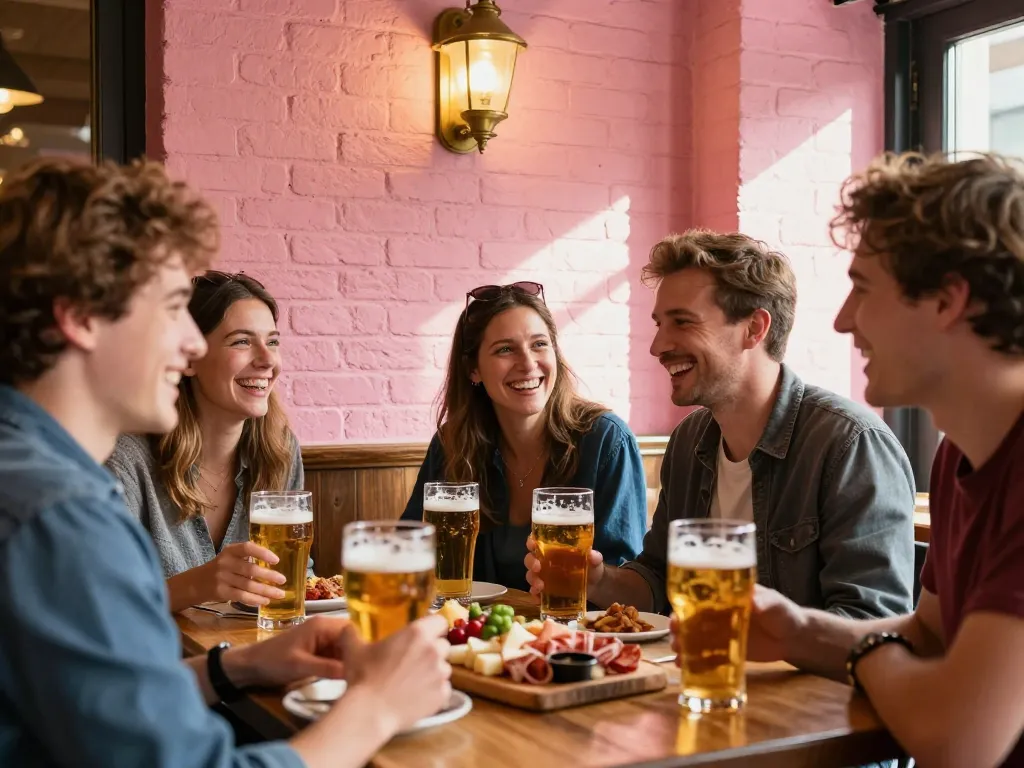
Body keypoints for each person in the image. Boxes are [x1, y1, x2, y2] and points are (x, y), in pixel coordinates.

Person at [0, 156, 450, 768]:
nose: (189, 343)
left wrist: (236, 665)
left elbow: (93, 714)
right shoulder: (62, 516)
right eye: (169, 307)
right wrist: (377, 706)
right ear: (79, 318)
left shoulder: (31, 474)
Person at [694, 152, 1024, 768]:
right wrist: (800, 629)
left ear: (947, 300)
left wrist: (861, 653)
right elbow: (925, 636)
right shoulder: (959, 456)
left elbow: (957, 740)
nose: (844, 320)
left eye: (863, 289)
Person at [527, 230, 916, 618]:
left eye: (682, 322)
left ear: (754, 328)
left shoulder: (849, 444)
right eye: (660, 324)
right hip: (699, 674)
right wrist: (598, 581)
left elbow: (874, 624)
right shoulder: (690, 441)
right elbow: (659, 582)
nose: (658, 346)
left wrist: (761, 636)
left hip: (795, 681)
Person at [402, 281, 647, 592]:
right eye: (505, 349)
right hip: (475, 636)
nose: (528, 363)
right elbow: (410, 548)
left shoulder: (607, 441)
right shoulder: (452, 443)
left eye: (539, 344)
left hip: (577, 636)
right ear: (473, 369)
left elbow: (625, 586)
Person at [107, 271, 309, 613]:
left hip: (252, 658)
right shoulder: (127, 459)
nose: (267, 360)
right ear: (189, 357)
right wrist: (197, 585)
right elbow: (100, 605)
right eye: (242, 341)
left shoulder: (281, 450)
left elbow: (296, 582)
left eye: (273, 341)